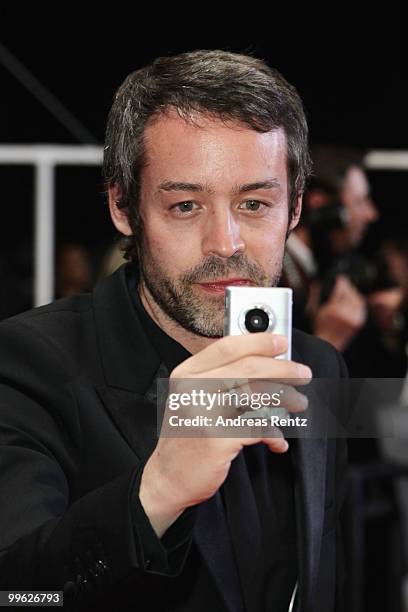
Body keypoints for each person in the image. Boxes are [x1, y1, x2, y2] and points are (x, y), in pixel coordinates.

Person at [0, 50, 348, 612]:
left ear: (295, 209)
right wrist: (155, 493)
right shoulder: (27, 365)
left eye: (254, 203)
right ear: (123, 206)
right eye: (186, 205)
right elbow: (16, 594)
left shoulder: (317, 364)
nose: (226, 243)